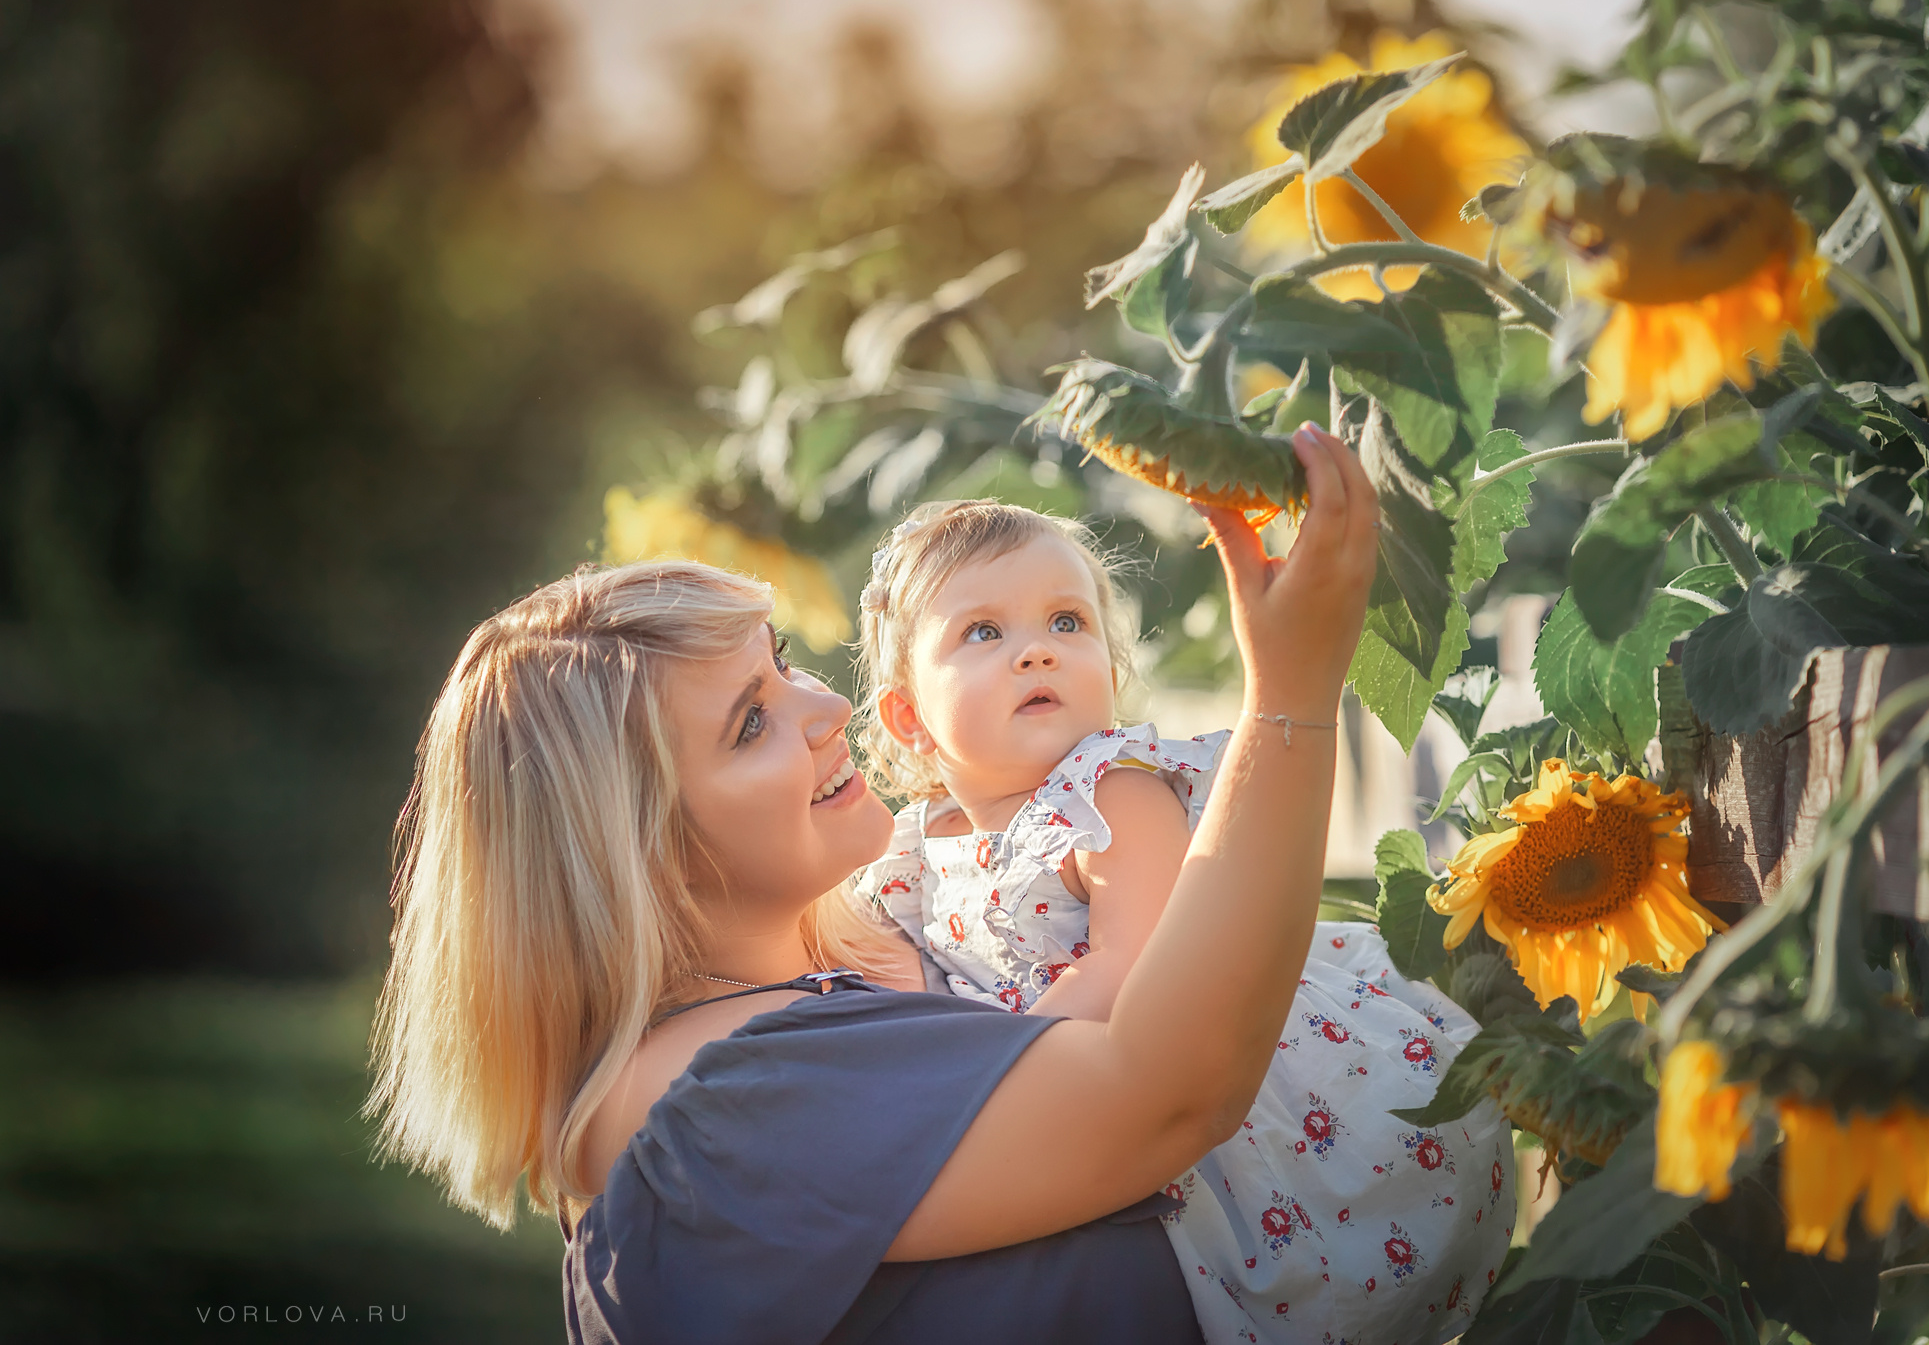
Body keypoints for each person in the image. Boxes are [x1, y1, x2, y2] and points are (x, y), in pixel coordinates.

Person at [365, 426, 1379, 1344]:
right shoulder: (718, 1102)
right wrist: (1290, 698)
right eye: (752, 722)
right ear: (640, 856)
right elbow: (1169, 1097)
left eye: (784, 663)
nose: (828, 705)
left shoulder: (867, 957)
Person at [850, 498, 1513, 1344]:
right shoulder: (916, 849)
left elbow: (1134, 965)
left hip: (1235, 1097)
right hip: (1081, 1096)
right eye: (983, 632)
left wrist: (980, 1087)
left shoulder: (1109, 791)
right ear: (910, 716)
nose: (1037, 648)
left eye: (1066, 619)